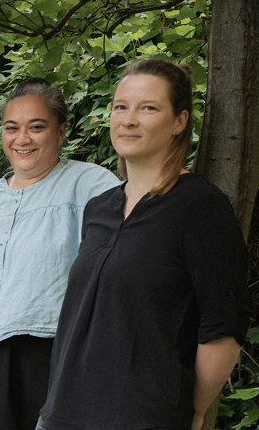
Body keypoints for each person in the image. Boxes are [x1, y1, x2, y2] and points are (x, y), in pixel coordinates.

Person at [38, 59, 249, 430]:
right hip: (63, 414)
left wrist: (192, 411)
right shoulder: (99, 208)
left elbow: (224, 326)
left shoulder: (200, 207)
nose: (129, 119)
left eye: (148, 108)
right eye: (121, 107)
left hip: (142, 418)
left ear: (179, 122)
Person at [0, 79, 119, 430]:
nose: (22, 138)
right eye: (11, 128)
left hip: (39, 354)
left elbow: (116, 276)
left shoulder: (92, 186)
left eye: (37, 127)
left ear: (61, 132)